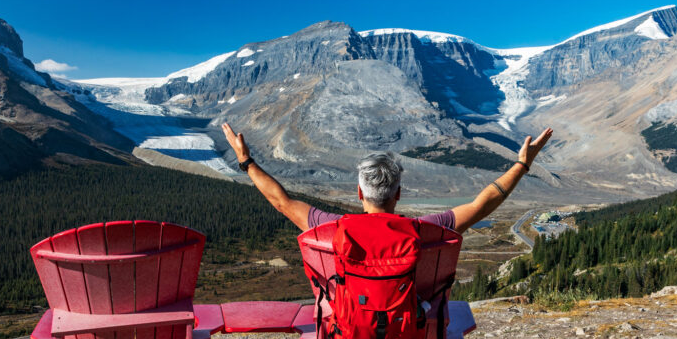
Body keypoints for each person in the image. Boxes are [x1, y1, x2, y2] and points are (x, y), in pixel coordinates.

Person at [221, 123, 553, 233]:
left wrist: (246, 161)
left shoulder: (334, 228)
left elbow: (281, 202)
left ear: (358, 193)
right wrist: (522, 165)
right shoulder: (423, 231)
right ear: (398, 194)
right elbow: (483, 205)